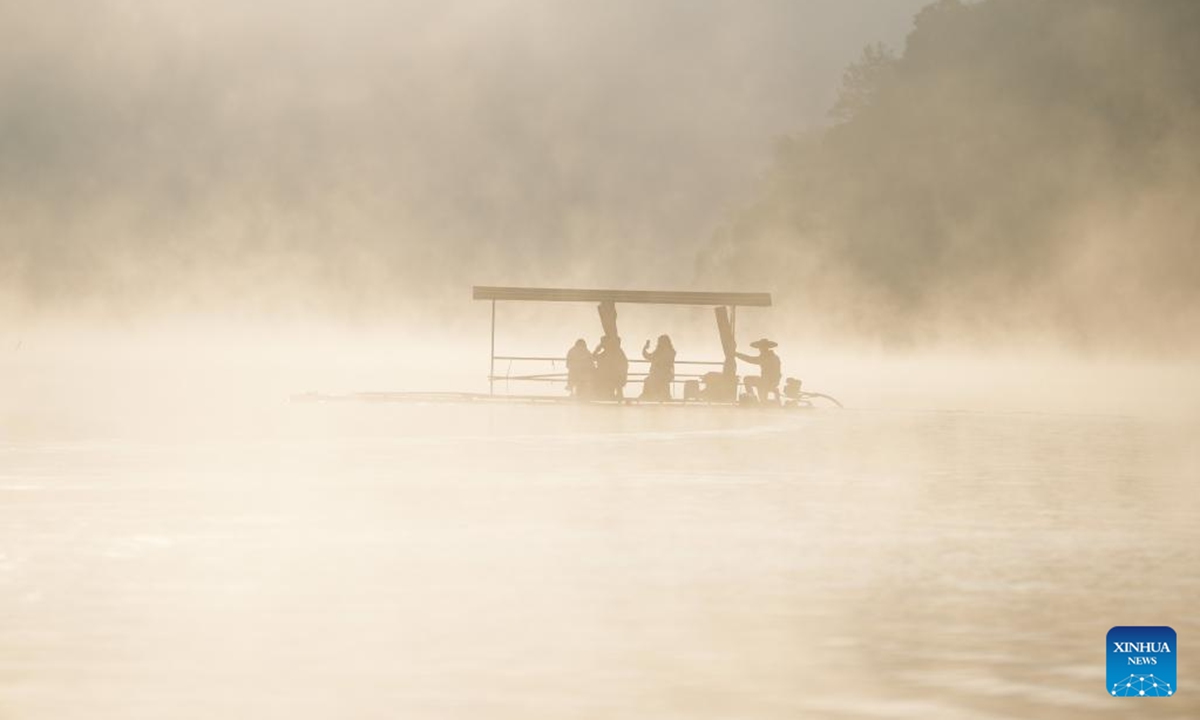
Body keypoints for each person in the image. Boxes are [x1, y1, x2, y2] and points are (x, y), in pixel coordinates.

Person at [735, 338, 782, 404]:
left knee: (747, 379)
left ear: (765, 348)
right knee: (763, 400)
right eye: (760, 348)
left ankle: (753, 399)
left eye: (761, 347)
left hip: (767, 381)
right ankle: (756, 399)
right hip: (770, 381)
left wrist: (736, 354)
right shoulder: (773, 356)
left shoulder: (767, 357)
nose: (760, 349)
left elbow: (750, 359)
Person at [592, 335, 629, 400]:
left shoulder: (610, 352)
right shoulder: (617, 352)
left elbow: (593, 357)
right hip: (617, 377)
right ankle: (616, 396)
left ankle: (609, 396)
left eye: (603, 343)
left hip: (611, 378)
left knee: (595, 376)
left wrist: (597, 349)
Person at [640, 334, 676, 400]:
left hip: (657, 375)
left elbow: (648, 356)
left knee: (648, 380)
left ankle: (647, 396)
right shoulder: (671, 352)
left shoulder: (659, 352)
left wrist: (644, 348)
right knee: (651, 380)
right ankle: (664, 395)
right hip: (667, 375)